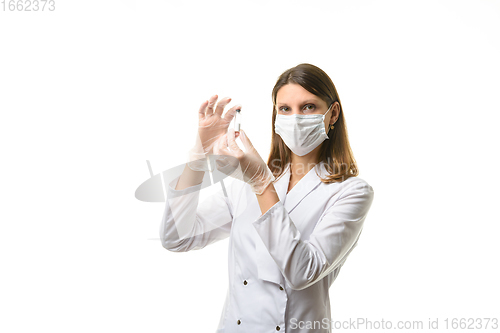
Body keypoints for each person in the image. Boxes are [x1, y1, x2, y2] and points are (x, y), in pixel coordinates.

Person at [159, 63, 375, 333]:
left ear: (333, 114)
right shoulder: (245, 182)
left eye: (308, 107)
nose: (295, 117)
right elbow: (176, 238)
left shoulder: (351, 192)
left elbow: (301, 271)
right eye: (285, 108)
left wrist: (262, 183)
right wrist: (198, 158)